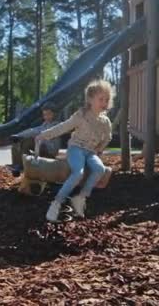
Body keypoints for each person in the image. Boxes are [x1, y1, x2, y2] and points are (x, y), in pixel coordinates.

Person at [36, 80, 113, 222]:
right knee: (78, 172)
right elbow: (63, 127)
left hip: (90, 152)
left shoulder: (105, 121)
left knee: (100, 169)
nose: (104, 102)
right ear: (90, 99)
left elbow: (108, 137)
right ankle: (56, 203)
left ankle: (81, 198)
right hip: (76, 148)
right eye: (101, 99)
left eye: (107, 99)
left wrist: (99, 149)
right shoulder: (81, 115)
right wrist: (44, 135)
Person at [8, 102, 61, 177]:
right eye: (44, 115)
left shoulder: (57, 125)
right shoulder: (45, 124)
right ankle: (17, 165)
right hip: (41, 147)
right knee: (17, 143)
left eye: (49, 114)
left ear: (54, 114)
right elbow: (33, 130)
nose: (46, 117)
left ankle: (23, 164)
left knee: (28, 141)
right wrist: (18, 136)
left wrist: (35, 137)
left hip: (50, 151)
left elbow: (42, 133)